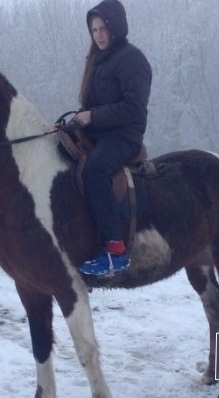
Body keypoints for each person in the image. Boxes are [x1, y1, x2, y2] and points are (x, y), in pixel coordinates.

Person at [72, 0, 152, 277]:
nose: (99, 35)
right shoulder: (98, 60)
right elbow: (93, 103)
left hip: (124, 134)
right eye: (94, 30)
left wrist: (93, 117)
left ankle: (115, 250)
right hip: (100, 131)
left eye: (103, 28)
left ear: (116, 27)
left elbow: (134, 107)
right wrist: (76, 121)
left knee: (95, 168)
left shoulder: (132, 59)